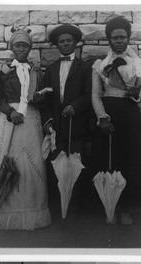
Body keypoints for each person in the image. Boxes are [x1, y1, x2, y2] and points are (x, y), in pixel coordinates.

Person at [0, 27, 51, 230]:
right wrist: (10, 112)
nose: (22, 49)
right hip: (11, 119)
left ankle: (33, 212)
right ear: (12, 47)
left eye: (26, 46)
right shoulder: (2, 69)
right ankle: (2, 213)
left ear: (30, 48)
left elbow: (41, 99)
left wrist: (39, 98)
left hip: (31, 118)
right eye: (18, 45)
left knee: (32, 161)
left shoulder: (35, 70)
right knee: (8, 160)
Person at [90, 16, 141, 225]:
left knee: (129, 160)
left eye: (122, 37)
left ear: (128, 38)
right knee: (107, 159)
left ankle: (125, 206)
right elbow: (95, 95)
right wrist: (102, 118)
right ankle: (110, 204)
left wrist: (136, 93)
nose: (119, 41)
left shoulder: (137, 63)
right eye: (114, 37)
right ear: (109, 39)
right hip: (108, 114)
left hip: (129, 115)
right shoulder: (100, 65)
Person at [39, 24, 92, 209]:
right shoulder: (51, 69)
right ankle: (57, 207)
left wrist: (74, 106)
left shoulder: (84, 68)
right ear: (57, 45)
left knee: (76, 165)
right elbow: (46, 100)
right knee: (56, 165)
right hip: (57, 128)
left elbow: (89, 95)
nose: (66, 44)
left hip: (76, 126)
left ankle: (75, 208)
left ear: (75, 43)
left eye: (69, 40)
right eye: (62, 41)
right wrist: (48, 121)